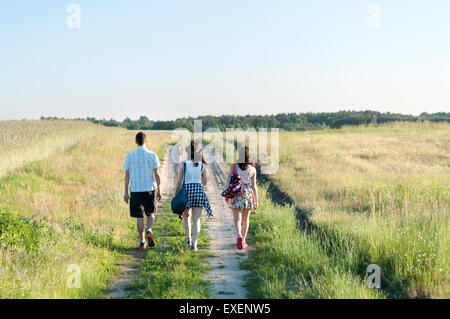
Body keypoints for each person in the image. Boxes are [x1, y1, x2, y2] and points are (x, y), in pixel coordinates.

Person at [123, 132, 161, 251]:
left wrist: (125, 192)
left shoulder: (130, 155)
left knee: (139, 216)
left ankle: (142, 241)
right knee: (151, 213)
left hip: (135, 190)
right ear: (146, 141)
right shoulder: (152, 155)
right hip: (149, 189)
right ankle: (149, 229)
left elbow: (127, 176)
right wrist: (159, 190)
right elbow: (157, 174)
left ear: (136, 141)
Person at [174, 141, 212, 251]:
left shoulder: (183, 164)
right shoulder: (202, 165)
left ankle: (188, 239)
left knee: (187, 216)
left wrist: (175, 193)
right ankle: (195, 244)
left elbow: (179, 181)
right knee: (196, 219)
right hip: (198, 192)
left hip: (186, 192)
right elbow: (204, 182)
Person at [228, 146, 258, 250]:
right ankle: (244, 241)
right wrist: (256, 201)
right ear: (249, 156)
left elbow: (229, 182)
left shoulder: (234, 167)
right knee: (246, 219)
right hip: (248, 194)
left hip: (236, 193)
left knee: (237, 219)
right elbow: (254, 187)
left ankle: (239, 235)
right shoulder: (252, 169)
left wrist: (227, 196)